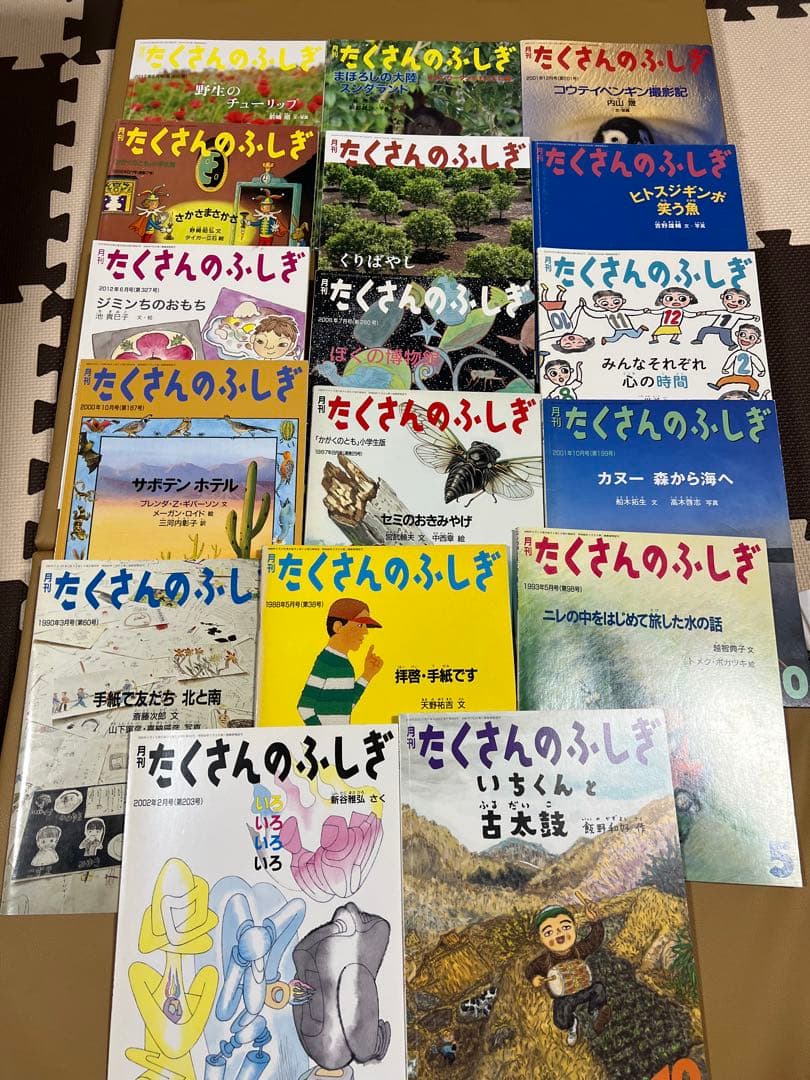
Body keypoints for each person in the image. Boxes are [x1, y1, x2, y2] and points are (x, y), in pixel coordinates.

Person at [524, 901, 611, 1047]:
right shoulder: (545, 961)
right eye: (549, 932)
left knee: (598, 989)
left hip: (583, 988)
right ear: (541, 938)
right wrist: (534, 978)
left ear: (574, 928)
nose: (559, 934)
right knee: (560, 1019)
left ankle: (596, 1012)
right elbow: (530, 969)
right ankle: (572, 1025)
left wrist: (595, 922)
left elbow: (594, 940)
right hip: (565, 998)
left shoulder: (579, 949)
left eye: (565, 927)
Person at [297, 599, 384, 726]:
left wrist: (367, 674)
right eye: (360, 625)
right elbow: (304, 707)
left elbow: (345, 706)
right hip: (328, 737)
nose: (366, 632)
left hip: (340, 736)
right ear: (338, 627)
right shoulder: (326, 661)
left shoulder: (345, 664)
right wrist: (323, 734)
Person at [707, 323, 766, 394]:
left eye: (751, 337)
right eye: (742, 334)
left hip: (747, 377)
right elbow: (730, 360)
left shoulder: (752, 355)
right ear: (737, 334)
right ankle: (717, 386)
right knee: (723, 380)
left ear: (758, 341)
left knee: (754, 383)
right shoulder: (736, 353)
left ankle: (752, 390)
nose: (746, 338)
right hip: (735, 375)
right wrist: (725, 368)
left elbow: (757, 362)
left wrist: (762, 370)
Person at [690, 287, 758, 348]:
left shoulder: (738, 315)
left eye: (740, 301)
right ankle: (699, 340)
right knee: (704, 330)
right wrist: (704, 313)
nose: (733, 302)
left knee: (726, 340)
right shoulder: (722, 311)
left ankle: (732, 345)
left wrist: (753, 317)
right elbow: (713, 312)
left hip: (726, 329)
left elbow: (745, 316)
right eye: (729, 297)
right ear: (722, 296)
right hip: (715, 327)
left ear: (747, 305)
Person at [582, 289, 649, 345]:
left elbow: (633, 312)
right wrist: (584, 307)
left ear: (623, 301)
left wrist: (643, 311)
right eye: (605, 304)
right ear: (597, 305)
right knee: (614, 339)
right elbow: (594, 313)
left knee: (635, 335)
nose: (611, 305)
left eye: (616, 302)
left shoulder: (623, 311)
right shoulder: (607, 313)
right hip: (618, 330)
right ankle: (605, 339)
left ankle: (641, 328)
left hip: (628, 328)